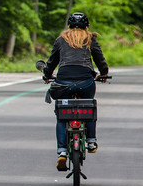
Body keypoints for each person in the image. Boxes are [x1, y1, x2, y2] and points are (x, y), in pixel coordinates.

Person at [41, 12, 109, 171]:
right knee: (88, 107)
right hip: (85, 82)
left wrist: (47, 74)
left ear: (69, 26)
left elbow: (52, 62)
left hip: (63, 82)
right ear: (87, 26)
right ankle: (91, 141)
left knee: (62, 117)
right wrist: (104, 73)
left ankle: (62, 152)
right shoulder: (90, 39)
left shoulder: (61, 39)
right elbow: (100, 59)